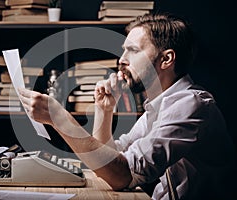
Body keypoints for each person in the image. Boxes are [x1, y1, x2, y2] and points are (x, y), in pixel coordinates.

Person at [18, 13, 236, 200]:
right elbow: (110, 163)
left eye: (133, 50)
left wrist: (61, 119)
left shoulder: (190, 105)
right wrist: (104, 110)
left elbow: (121, 176)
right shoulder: (160, 106)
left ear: (166, 59)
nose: (121, 60)